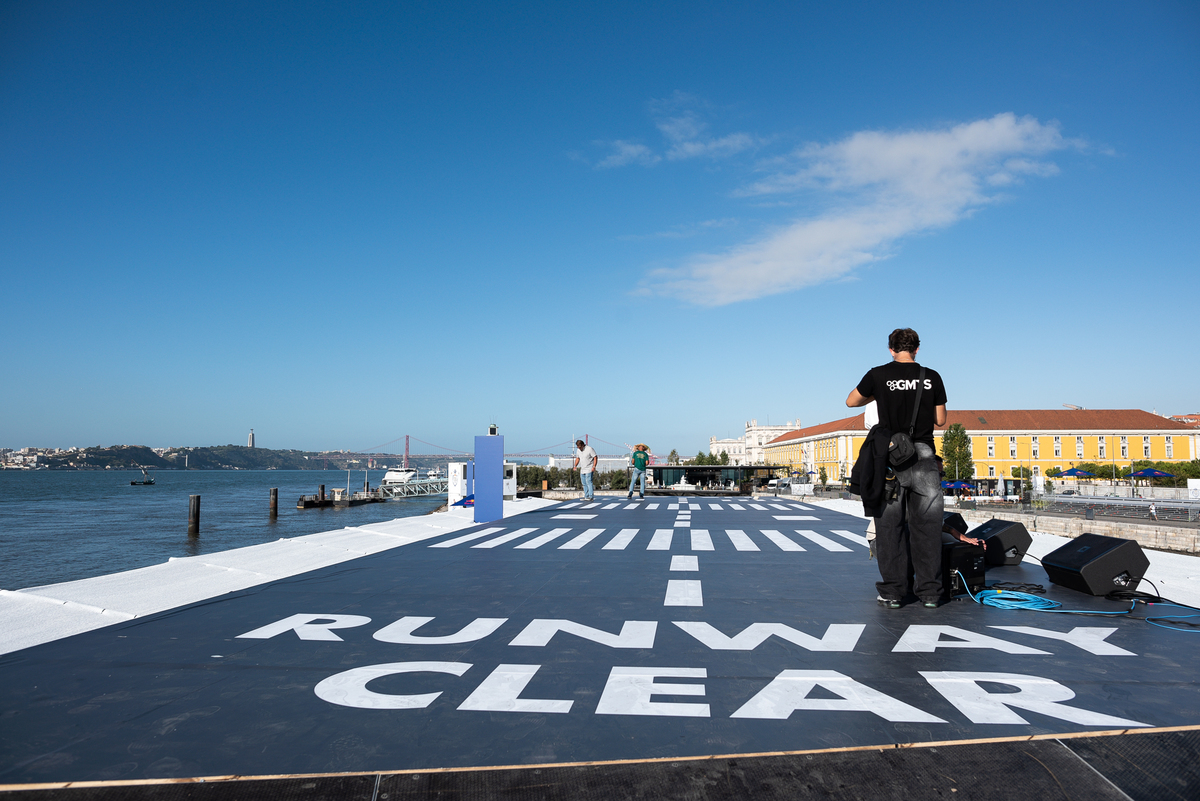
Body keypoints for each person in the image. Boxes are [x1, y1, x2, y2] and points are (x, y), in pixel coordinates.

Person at [847, 327, 948, 609]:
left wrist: (878, 394)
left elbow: (851, 401)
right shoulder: (932, 376)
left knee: (889, 527)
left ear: (891, 349)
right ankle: (929, 593)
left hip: (891, 458)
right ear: (917, 349)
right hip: (924, 455)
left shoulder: (878, 374)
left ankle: (892, 592)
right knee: (927, 527)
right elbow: (940, 420)